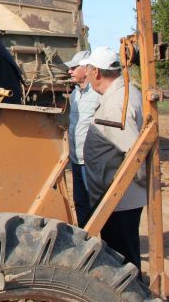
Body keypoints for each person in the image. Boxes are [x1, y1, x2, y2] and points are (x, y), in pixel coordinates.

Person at [82, 46, 145, 273]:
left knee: (124, 259)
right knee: (119, 255)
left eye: (87, 70)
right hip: (115, 194)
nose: (86, 74)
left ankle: (132, 294)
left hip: (121, 199)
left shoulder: (119, 101)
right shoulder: (117, 95)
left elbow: (134, 154)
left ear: (96, 72)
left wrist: (138, 185)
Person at [65, 50, 100, 227]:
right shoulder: (75, 95)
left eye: (73, 67)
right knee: (80, 203)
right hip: (77, 160)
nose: (69, 71)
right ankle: (85, 239)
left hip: (91, 161)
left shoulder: (98, 94)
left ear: (86, 69)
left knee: (96, 204)